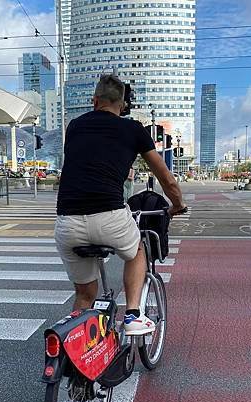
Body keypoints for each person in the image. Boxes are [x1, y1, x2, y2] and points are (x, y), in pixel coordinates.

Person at [55, 74, 186, 335]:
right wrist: (178, 205)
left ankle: (74, 347)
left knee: (85, 294)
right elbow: (166, 179)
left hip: (67, 222)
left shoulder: (75, 126)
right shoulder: (133, 129)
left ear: (95, 101)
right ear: (123, 104)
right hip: (109, 216)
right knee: (137, 251)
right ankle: (133, 315)